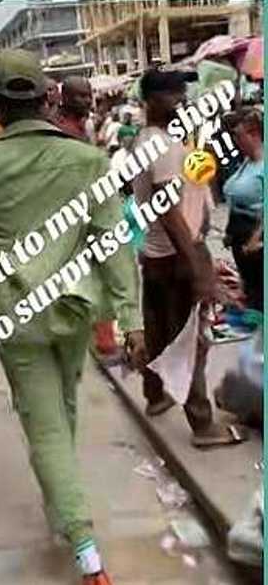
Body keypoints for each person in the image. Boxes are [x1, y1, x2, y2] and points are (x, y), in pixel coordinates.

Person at [0, 49, 145, 585]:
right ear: (48, 98)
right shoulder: (88, 161)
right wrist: (132, 320)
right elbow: (114, 244)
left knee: (47, 425)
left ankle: (86, 553)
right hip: (74, 307)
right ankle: (65, 511)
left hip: (18, 315)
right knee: (60, 408)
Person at [130, 68, 242, 449]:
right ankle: (202, 425)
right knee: (194, 340)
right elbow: (168, 210)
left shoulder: (166, 140)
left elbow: (195, 190)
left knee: (160, 330)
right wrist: (198, 269)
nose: (181, 98)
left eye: (183, 91)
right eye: (171, 93)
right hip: (178, 254)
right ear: (150, 101)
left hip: (160, 253)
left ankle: (155, 393)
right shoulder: (157, 143)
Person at [222, 108, 264, 312]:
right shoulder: (246, 164)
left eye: (238, 135)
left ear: (254, 133)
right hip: (241, 240)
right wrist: (230, 233)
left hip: (257, 241)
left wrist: (257, 237)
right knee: (252, 296)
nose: (235, 141)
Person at [57, 76, 94, 143]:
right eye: (82, 96)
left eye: (90, 95)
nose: (88, 100)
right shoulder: (57, 126)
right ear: (66, 97)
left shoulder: (88, 123)